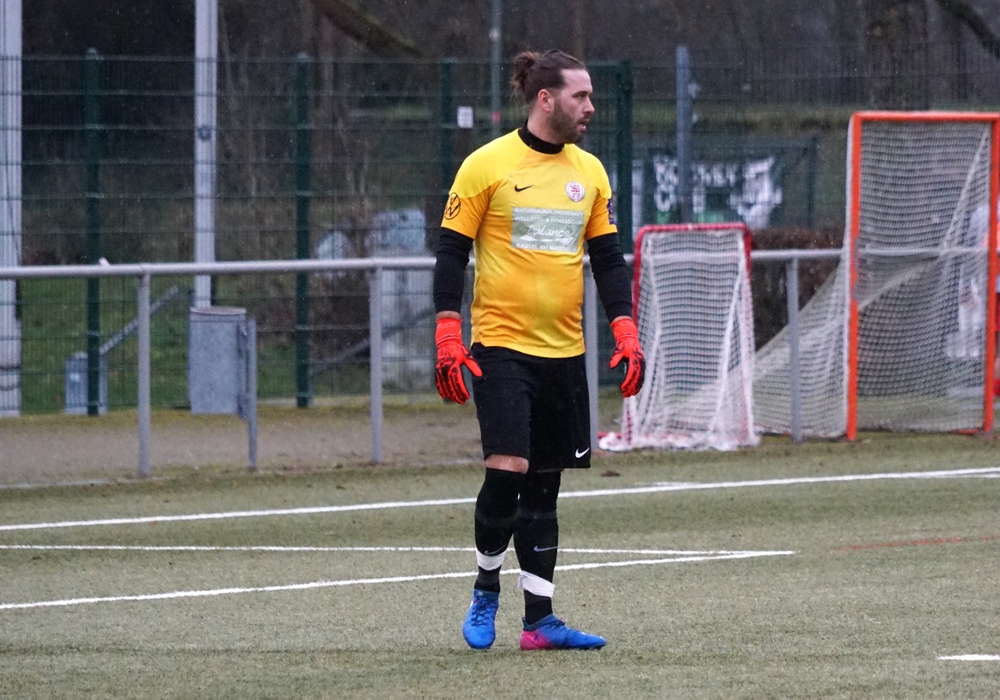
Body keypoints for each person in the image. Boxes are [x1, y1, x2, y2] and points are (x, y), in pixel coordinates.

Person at [432, 49, 645, 651]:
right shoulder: (486, 165)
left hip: (565, 353)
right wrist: (448, 331)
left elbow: (607, 259)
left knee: (546, 485)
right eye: (581, 96)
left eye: (592, 96)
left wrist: (626, 329)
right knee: (508, 468)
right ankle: (485, 586)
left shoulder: (590, 172)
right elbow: (450, 253)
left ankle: (539, 622)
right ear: (545, 99)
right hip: (500, 347)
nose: (591, 107)